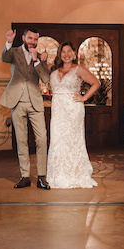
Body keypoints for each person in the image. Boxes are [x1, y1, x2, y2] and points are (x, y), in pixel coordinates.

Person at [0, 28, 51, 190]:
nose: (32, 42)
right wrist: (9, 41)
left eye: (35, 39)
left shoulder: (41, 56)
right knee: (21, 140)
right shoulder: (13, 52)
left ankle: (42, 177)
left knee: (42, 139)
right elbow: (4, 57)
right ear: (23, 37)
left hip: (35, 102)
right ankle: (25, 176)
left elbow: (46, 78)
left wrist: (37, 61)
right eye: (30, 38)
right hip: (17, 101)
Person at [46, 42, 101, 189]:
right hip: (58, 111)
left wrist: (84, 97)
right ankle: (58, 175)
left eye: (69, 51)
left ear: (74, 53)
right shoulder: (54, 70)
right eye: (63, 52)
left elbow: (96, 83)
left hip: (73, 110)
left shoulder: (79, 69)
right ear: (59, 54)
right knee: (58, 140)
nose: (66, 54)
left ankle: (75, 174)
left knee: (73, 140)